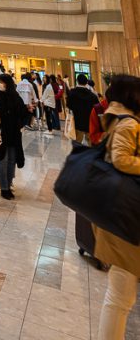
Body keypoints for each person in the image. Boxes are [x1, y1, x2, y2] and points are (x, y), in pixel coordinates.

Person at [94, 75, 140, 340]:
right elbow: (122, 160)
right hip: (123, 214)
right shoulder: (128, 124)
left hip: (118, 211)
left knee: (121, 295)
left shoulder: (118, 121)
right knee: (120, 296)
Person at [0, 73, 24, 200]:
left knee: (12, 159)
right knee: (2, 159)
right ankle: (4, 187)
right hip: (2, 132)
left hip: (13, 133)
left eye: (0, 81)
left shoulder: (15, 96)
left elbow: (21, 111)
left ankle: (9, 184)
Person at [67, 73, 99, 143]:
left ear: (77, 81)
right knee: (91, 145)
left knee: (77, 145)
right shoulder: (92, 96)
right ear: (86, 82)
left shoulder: (72, 93)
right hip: (90, 124)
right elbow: (97, 109)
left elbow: (69, 105)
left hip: (77, 122)